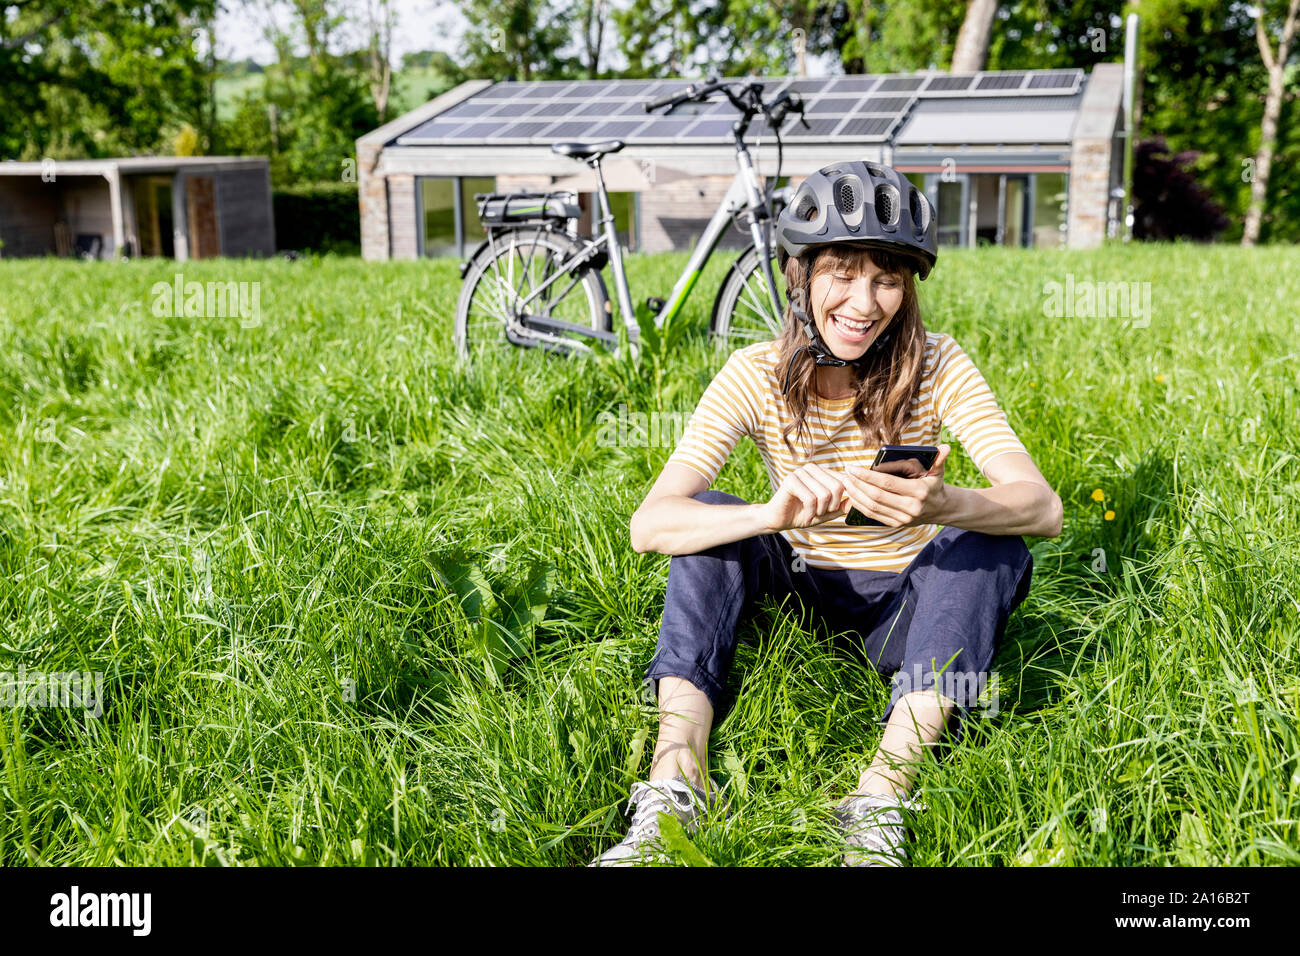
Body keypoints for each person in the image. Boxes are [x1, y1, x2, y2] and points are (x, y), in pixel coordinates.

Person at [589, 161, 1063, 867]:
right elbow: (648, 526)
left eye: (888, 278)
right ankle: (673, 785)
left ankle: (882, 793)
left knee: (988, 540)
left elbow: (1044, 508)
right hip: (798, 593)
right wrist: (768, 513)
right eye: (842, 272)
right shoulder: (751, 373)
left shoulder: (941, 363)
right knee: (711, 517)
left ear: (908, 288)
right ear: (799, 276)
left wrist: (947, 503)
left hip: (907, 607)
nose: (864, 302)